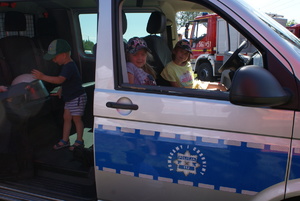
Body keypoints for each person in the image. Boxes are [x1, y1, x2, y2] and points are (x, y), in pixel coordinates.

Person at [32, 39, 87, 151]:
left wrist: (42, 77)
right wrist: (61, 90)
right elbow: (67, 81)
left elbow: (59, 80)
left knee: (76, 119)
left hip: (77, 97)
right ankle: (65, 140)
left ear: (63, 55)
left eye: (55, 57)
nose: (53, 60)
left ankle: (80, 140)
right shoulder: (67, 66)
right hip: (70, 98)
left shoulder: (69, 66)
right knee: (66, 118)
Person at [161, 39, 227, 91]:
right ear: (174, 51)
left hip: (196, 86)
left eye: (186, 53)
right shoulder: (170, 68)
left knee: (221, 86)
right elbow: (177, 89)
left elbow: (192, 82)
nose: (183, 55)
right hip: (188, 93)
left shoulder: (187, 64)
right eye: (181, 51)